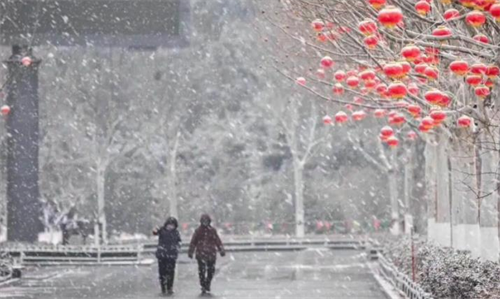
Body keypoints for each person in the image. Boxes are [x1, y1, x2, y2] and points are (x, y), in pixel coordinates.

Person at [188, 214, 225, 294]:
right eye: (204, 221)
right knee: (202, 270)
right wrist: (191, 251)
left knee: (211, 270)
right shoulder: (198, 231)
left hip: (210, 253)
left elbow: (217, 241)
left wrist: (221, 249)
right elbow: (193, 242)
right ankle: (203, 284)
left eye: (206, 221)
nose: (205, 222)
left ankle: (207, 283)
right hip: (201, 254)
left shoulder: (212, 230)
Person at [153, 217, 182, 295]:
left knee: (170, 273)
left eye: (172, 225)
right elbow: (155, 232)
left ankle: (169, 288)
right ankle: (163, 288)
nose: (170, 226)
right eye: (169, 224)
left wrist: (176, 249)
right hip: (162, 255)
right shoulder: (162, 230)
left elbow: (179, 242)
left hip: (171, 256)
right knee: (162, 273)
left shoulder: (175, 232)